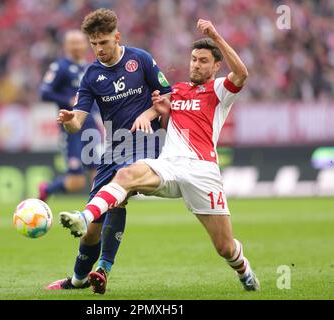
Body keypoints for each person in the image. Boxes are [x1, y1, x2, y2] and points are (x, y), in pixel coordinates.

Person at [60, 19, 260, 292]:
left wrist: (215, 36)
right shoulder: (175, 90)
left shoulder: (219, 91)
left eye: (203, 61)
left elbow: (242, 74)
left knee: (224, 247)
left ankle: (244, 270)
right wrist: (150, 113)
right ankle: (86, 218)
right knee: (126, 175)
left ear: (216, 66)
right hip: (168, 165)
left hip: (203, 170)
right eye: (193, 59)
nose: (196, 65)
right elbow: (160, 104)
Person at [46, 8, 172, 294]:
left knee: (119, 193)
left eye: (104, 42)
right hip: (113, 149)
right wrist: (69, 121)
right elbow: (79, 119)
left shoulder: (140, 59)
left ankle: (103, 268)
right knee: (92, 232)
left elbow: (169, 93)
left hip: (145, 142)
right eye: (94, 44)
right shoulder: (91, 75)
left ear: (117, 37)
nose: (99, 49)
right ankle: (78, 280)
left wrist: (150, 113)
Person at [38, 30, 101, 201]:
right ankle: (48, 188)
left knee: (98, 173)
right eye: (73, 42)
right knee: (76, 182)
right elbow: (44, 92)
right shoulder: (60, 67)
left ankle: (97, 213)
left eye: (80, 42)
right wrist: (67, 99)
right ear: (66, 46)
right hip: (71, 129)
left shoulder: (91, 68)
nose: (77, 46)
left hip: (91, 127)